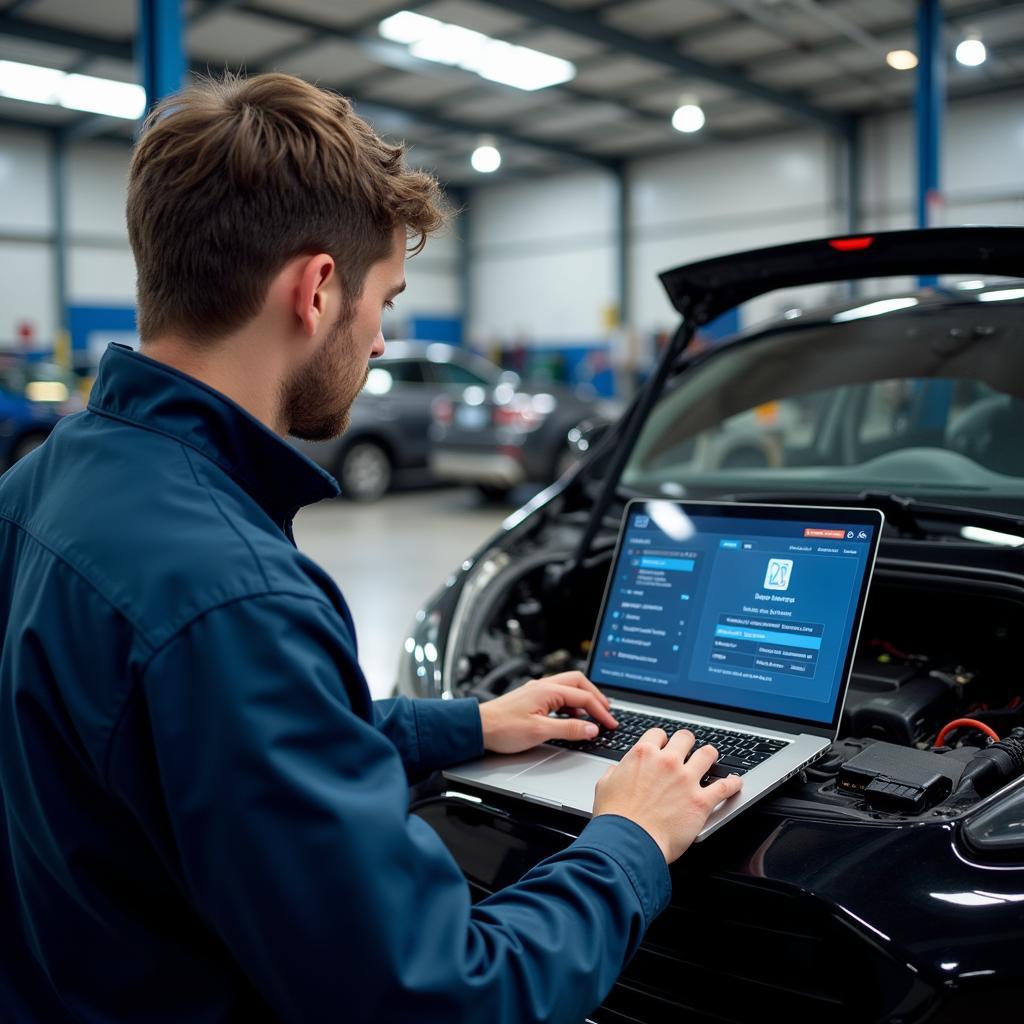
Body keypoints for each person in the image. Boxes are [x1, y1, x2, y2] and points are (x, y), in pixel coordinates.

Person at [0, 73, 741, 1023]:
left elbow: (203, 749)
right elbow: (443, 996)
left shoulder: (37, 488)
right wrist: (630, 838)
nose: (383, 338)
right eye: (384, 299)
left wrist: (469, 726)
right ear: (315, 290)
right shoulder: (235, 597)